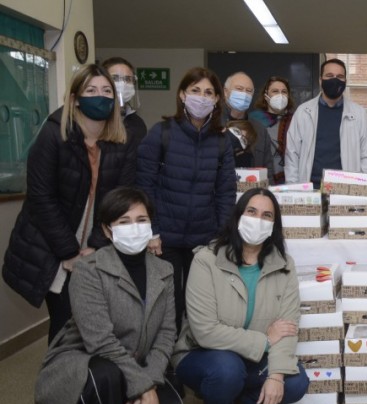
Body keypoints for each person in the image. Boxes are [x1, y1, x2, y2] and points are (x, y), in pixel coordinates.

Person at [35, 187, 188, 404]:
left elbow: (167, 334)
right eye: (124, 222)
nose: (135, 228)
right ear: (107, 230)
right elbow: (100, 341)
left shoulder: (164, 270)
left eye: (141, 221)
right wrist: (145, 388)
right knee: (106, 375)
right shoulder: (88, 270)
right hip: (85, 361)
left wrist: (150, 382)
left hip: (135, 363)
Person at [3, 64, 136, 342]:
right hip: (54, 246)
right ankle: (60, 383)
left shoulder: (119, 143)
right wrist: (70, 252)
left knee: (93, 324)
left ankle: (88, 384)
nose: (100, 97)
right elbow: (41, 198)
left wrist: (97, 245)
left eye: (106, 91)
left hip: (96, 245)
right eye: (91, 90)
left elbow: (121, 200)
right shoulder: (53, 136)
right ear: (74, 98)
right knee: (65, 328)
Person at [173, 188, 310, 404]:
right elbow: (205, 331)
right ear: (238, 216)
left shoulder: (284, 265)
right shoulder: (206, 260)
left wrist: (276, 375)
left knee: (295, 383)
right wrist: (265, 340)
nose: (258, 220)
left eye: (267, 215)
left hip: (252, 358)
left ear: (274, 226)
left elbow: (287, 325)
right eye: (252, 212)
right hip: (202, 354)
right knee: (227, 369)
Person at [136, 67, 237, 332]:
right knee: (168, 304)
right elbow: (144, 186)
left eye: (208, 93)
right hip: (163, 239)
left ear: (216, 99)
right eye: (195, 91)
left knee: (200, 304)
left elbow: (226, 191)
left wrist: (220, 235)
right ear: (182, 95)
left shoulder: (222, 142)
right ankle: (166, 363)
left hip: (203, 239)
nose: (201, 98)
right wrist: (151, 231)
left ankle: (192, 360)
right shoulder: (161, 133)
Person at [286, 58, 367, 187]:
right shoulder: (303, 112)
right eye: (329, 76)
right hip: (310, 189)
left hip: (345, 190)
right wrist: (293, 188)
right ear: (320, 80)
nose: (335, 80)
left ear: (345, 81)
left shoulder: (359, 114)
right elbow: (292, 154)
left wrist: (362, 188)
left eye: (340, 76)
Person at [223, 71, 275, 180]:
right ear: (226, 92)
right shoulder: (213, 126)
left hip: (252, 193)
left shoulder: (260, 130)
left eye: (248, 91)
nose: (244, 94)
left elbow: (268, 171)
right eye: (239, 89)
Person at [249, 76, 295, 184]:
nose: (280, 95)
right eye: (275, 91)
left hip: (290, 180)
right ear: (266, 96)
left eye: (284, 92)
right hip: (261, 178)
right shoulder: (253, 121)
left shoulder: (295, 120)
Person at [102, 56, 148, 151]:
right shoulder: (94, 117)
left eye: (127, 79)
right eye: (115, 78)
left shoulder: (137, 123)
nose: (122, 84)